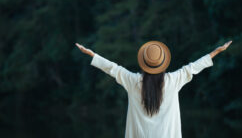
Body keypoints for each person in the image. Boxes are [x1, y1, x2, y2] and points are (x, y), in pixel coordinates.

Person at [75, 40, 232, 138]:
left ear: (144, 63)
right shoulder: (173, 80)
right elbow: (192, 68)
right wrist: (216, 52)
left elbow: (112, 68)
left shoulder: (133, 81)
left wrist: (92, 54)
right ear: (162, 64)